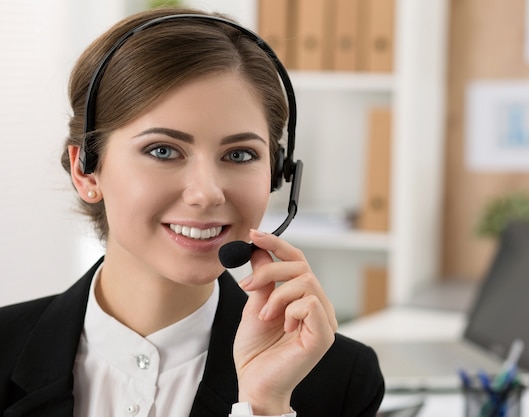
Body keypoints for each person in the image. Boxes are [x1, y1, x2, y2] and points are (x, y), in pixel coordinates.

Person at [0, 6, 384, 417]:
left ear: (278, 173)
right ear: (86, 171)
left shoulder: (339, 379)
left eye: (239, 154)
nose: (206, 193)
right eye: (162, 150)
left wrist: (263, 406)